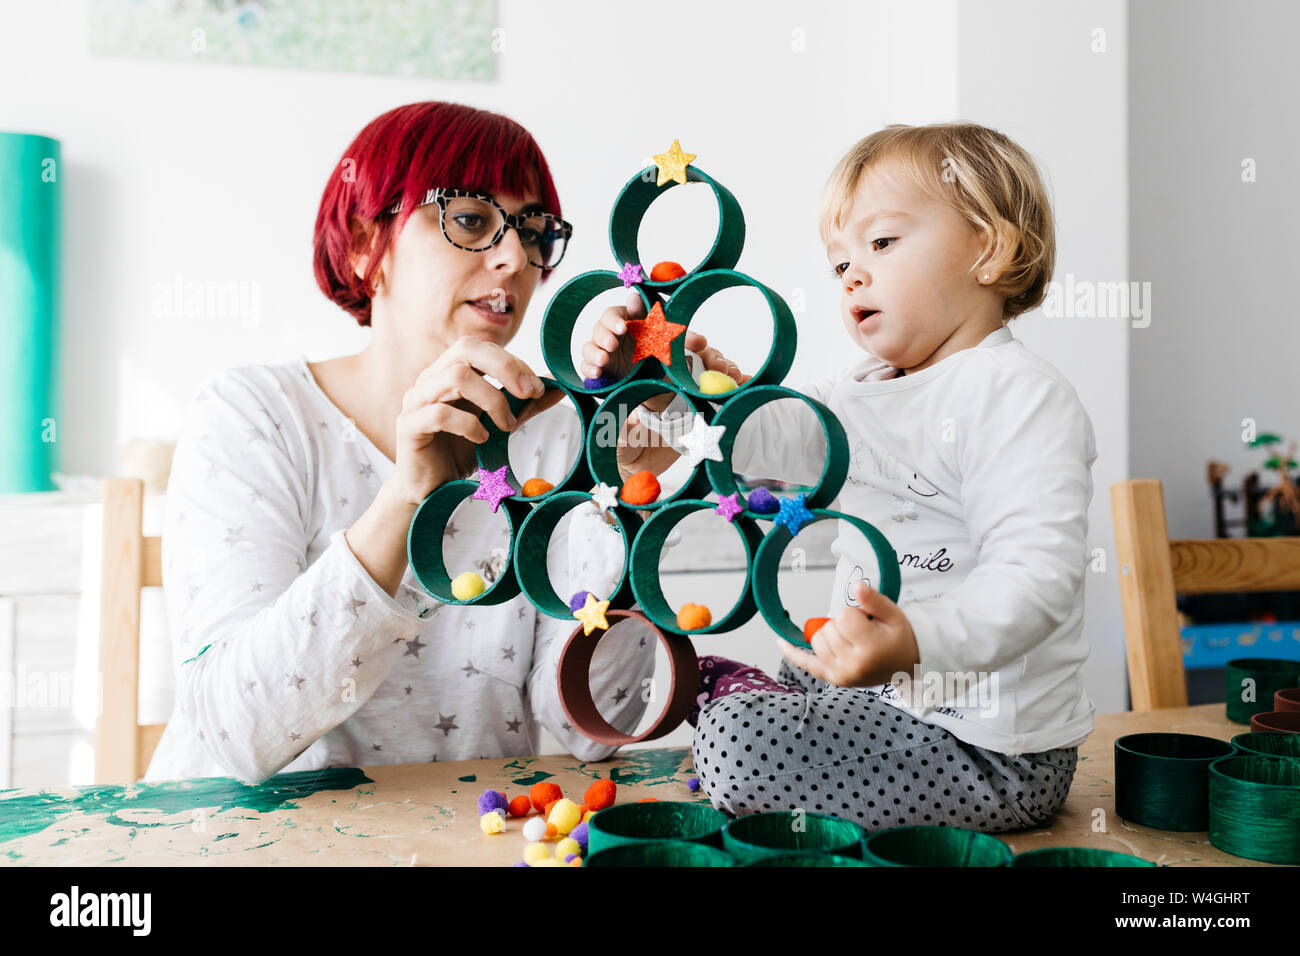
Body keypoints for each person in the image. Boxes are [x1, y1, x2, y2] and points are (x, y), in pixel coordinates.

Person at [580, 122, 1097, 832]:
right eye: (838, 263)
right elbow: (758, 437)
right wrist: (667, 385)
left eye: (881, 243)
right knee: (788, 670)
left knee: (737, 749)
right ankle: (759, 701)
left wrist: (917, 644)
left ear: (989, 245)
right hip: (880, 700)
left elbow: (1036, 577)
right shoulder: (853, 394)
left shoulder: (1018, 394)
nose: (852, 274)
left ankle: (742, 713)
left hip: (988, 749)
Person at [145, 102, 653, 786]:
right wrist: (407, 497)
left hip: (460, 839)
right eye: (471, 219)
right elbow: (239, 733)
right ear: (363, 242)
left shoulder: (557, 438)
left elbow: (587, 732)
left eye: (535, 232)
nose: (515, 259)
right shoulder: (255, 415)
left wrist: (630, 501)